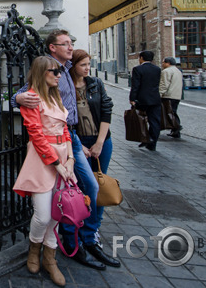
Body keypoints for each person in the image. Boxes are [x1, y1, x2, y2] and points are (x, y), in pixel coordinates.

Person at [12, 30, 105, 270]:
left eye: (71, 43)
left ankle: (81, 241)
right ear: (52, 47)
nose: (71, 47)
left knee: (82, 190)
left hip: (70, 138)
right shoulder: (50, 71)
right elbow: (26, 95)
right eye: (65, 43)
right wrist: (18, 98)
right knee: (72, 196)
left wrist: (73, 155)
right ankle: (70, 241)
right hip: (53, 148)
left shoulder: (69, 70)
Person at [12, 56, 76, 287]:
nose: (59, 75)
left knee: (57, 213)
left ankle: (50, 259)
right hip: (42, 159)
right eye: (54, 71)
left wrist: (70, 158)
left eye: (59, 71)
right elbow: (36, 135)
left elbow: (65, 129)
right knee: (43, 214)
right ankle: (34, 248)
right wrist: (57, 163)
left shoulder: (55, 96)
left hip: (62, 156)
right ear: (42, 72)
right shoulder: (32, 97)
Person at [68, 49, 121, 268]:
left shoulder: (95, 84)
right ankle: (77, 235)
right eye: (83, 65)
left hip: (100, 141)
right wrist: (82, 145)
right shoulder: (66, 86)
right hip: (80, 143)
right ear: (73, 66)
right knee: (81, 189)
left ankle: (92, 235)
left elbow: (107, 110)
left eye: (88, 64)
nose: (87, 68)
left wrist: (99, 142)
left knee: (99, 185)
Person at [129, 50, 162, 151]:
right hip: (155, 98)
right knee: (155, 121)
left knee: (140, 119)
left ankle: (143, 138)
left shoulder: (138, 69)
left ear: (141, 58)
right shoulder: (157, 69)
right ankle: (153, 141)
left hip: (142, 99)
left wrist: (132, 98)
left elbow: (135, 86)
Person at [160, 57, 183, 138]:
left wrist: (159, 94)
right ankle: (175, 130)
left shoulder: (166, 71)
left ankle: (177, 127)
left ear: (168, 63)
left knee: (169, 112)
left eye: (163, 62)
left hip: (169, 95)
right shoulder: (178, 71)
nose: (162, 64)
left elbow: (164, 84)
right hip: (177, 95)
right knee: (173, 112)